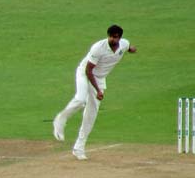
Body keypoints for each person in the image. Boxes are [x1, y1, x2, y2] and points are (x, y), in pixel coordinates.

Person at [52, 25, 137, 160]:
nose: (112, 39)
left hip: (99, 78)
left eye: (115, 37)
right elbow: (88, 70)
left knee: (91, 113)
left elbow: (128, 47)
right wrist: (98, 90)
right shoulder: (98, 48)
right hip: (85, 74)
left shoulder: (124, 44)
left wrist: (131, 49)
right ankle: (60, 119)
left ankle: (79, 148)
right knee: (80, 99)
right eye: (110, 36)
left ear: (120, 38)